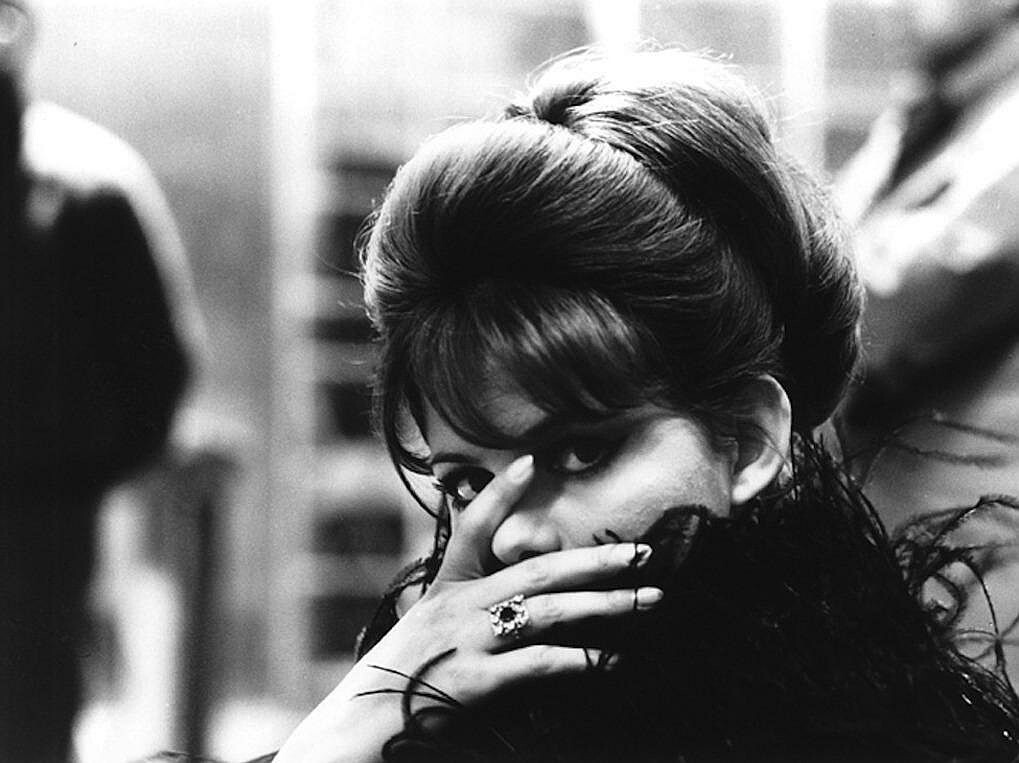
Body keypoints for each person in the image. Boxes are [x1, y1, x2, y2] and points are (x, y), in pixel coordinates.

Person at [259, 48, 1019, 761]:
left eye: (580, 453)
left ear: (748, 440)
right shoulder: (426, 702)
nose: (513, 536)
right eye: (468, 483)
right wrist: (354, 716)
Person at [1, 1, 199, 759]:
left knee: (30, 711)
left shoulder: (88, 186)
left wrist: (62, 474)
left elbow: (159, 371)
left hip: (39, 530)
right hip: (46, 515)